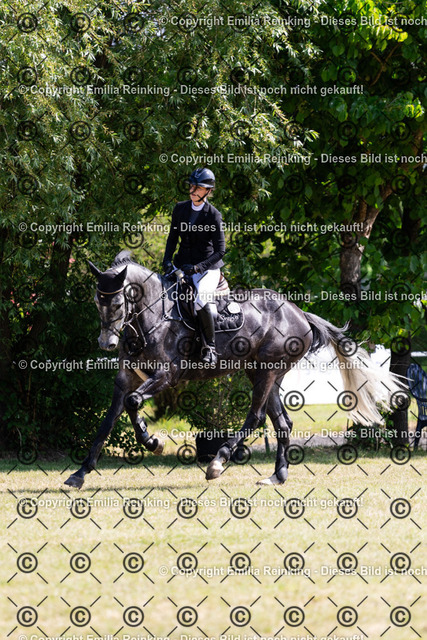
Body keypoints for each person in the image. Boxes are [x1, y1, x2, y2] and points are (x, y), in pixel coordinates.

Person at [162, 168, 226, 366]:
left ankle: (210, 348)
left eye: (197, 187)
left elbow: (221, 250)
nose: (192, 190)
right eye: (191, 186)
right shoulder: (180, 209)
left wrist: (198, 268)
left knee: (199, 300)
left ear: (208, 191)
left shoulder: (213, 215)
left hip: (207, 269)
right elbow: (172, 238)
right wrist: (167, 260)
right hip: (182, 265)